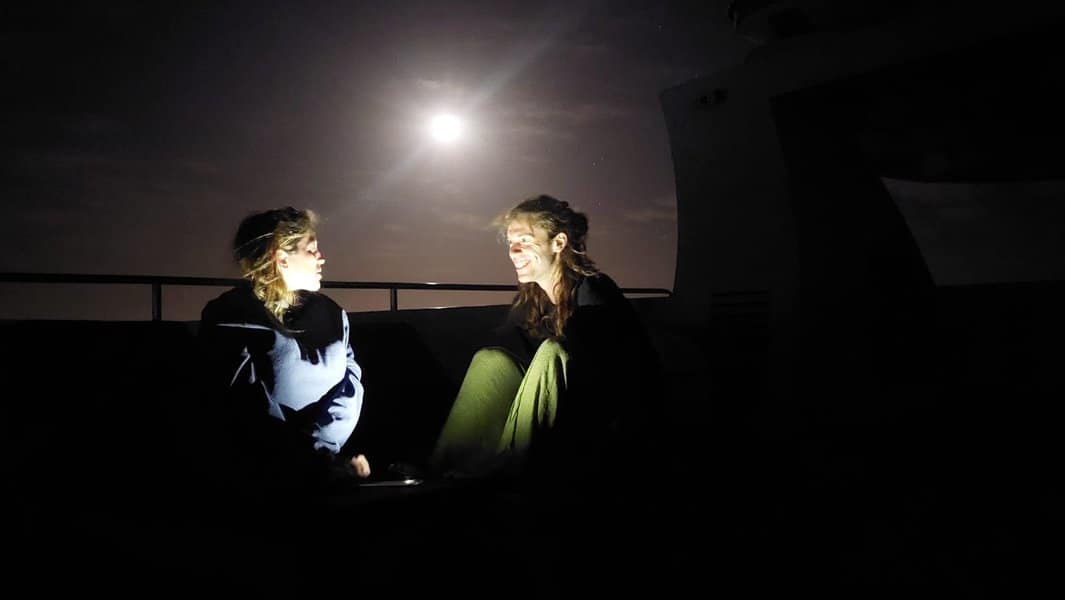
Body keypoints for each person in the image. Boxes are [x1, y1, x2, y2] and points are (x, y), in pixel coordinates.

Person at [429, 194, 661, 485]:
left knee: (553, 351)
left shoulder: (593, 293)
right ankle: (441, 471)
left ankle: (506, 475)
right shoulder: (536, 301)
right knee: (491, 361)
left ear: (558, 243)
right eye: (511, 242)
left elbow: (614, 386)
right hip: (571, 415)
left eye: (525, 241)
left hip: (607, 426)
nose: (514, 251)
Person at [199, 206, 371, 497]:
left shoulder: (332, 314)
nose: (322, 257)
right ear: (281, 257)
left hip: (323, 463)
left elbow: (351, 382)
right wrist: (311, 460)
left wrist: (321, 452)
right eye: (311, 250)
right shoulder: (230, 315)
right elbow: (245, 404)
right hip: (262, 476)